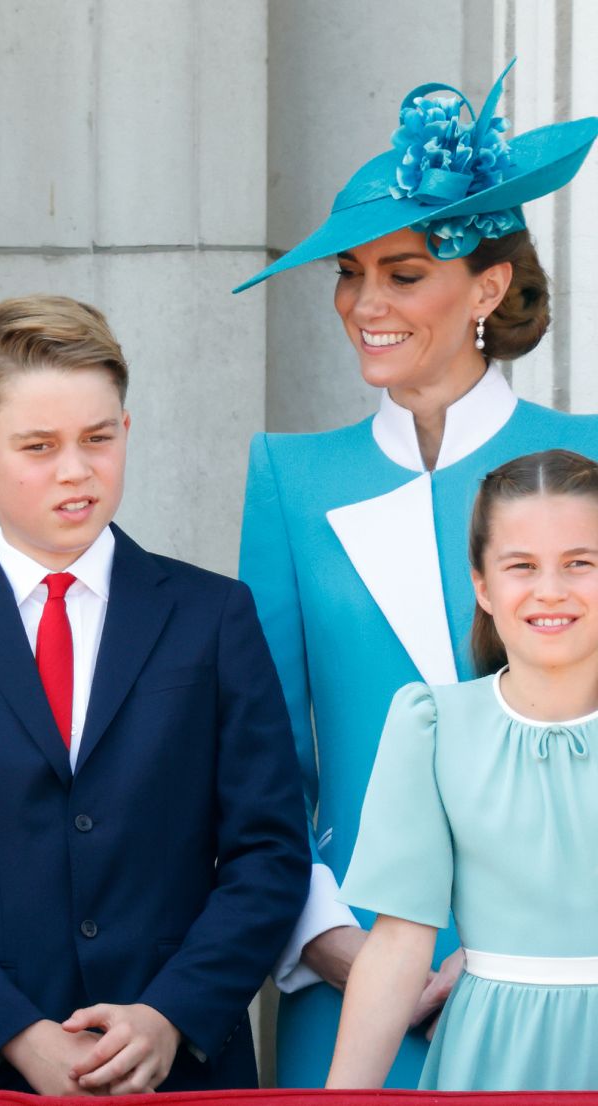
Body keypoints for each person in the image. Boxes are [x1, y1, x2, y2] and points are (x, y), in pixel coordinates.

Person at [0, 294, 310, 1093]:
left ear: (126, 433)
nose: (75, 470)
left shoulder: (213, 616)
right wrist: (14, 1034)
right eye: (38, 446)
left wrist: (171, 1014)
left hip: (182, 1068)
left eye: (98, 439)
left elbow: (268, 854)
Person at [233, 62, 598, 1086]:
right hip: (351, 991)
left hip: (564, 982)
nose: (363, 303)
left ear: (486, 284)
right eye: (350, 273)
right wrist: (331, 945)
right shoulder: (289, 477)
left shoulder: (588, 461)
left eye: (402, 274)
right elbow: (259, 760)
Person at [326, 448, 598, 1090]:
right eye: (521, 566)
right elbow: (397, 946)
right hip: (489, 1057)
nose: (551, 590)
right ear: (482, 584)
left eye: (579, 564)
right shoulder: (434, 726)